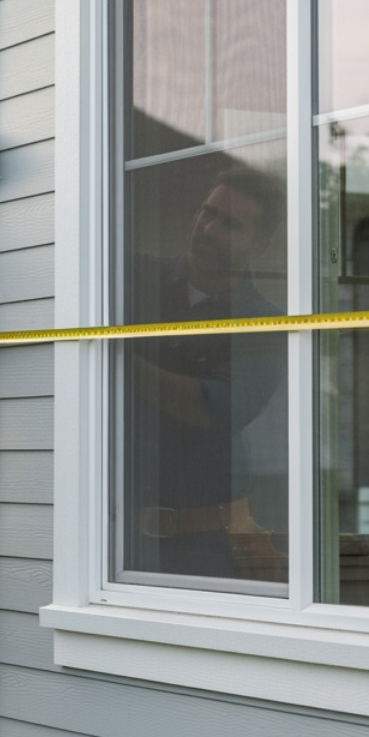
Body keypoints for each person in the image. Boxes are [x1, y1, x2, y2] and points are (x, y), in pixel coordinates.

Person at [124, 166, 288, 582]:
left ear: (260, 245)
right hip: (113, 539)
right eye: (207, 212)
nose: (208, 228)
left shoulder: (264, 323)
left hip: (207, 545)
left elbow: (219, 409)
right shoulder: (132, 276)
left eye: (229, 224)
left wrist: (120, 361)